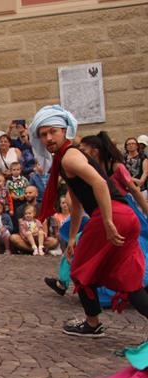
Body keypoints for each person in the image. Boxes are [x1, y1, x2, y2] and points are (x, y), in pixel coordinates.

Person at [30, 105, 148, 339]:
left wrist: (107, 221)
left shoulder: (69, 157)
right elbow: (76, 203)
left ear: (64, 131)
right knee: (130, 280)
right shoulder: (66, 158)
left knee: (81, 270)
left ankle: (92, 324)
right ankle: (93, 322)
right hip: (125, 215)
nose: (48, 138)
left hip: (112, 214)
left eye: (53, 131)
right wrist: (73, 237)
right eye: (43, 134)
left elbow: (100, 183)